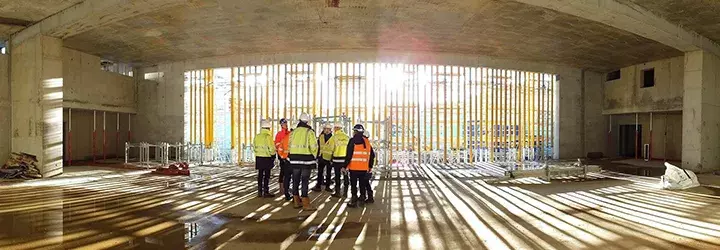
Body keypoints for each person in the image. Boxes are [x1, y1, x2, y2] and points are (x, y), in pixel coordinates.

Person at [288, 112, 318, 211]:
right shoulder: (309, 132)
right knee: (305, 181)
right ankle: (305, 203)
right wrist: (314, 156)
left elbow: (289, 145)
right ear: (307, 121)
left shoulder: (294, 132)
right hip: (306, 160)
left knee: (295, 180)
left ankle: (296, 201)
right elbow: (314, 147)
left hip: (294, 160)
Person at [345, 124, 376, 207]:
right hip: (363, 168)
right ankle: (362, 199)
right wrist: (370, 166)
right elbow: (372, 155)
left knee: (354, 185)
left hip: (353, 168)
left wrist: (345, 166)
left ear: (355, 131)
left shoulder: (352, 141)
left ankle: (354, 201)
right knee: (362, 184)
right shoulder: (367, 142)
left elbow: (349, 155)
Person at [253, 120, 277, 198]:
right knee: (266, 176)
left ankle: (259, 191)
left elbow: (254, 147)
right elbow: (272, 149)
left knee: (260, 175)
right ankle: (266, 192)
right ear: (268, 128)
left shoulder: (257, 136)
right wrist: (273, 155)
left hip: (259, 157)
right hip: (267, 158)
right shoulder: (268, 137)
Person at [328, 123, 350, 198]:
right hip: (345, 160)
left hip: (337, 160)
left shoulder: (334, 137)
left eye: (334, 128)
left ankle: (338, 192)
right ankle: (345, 193)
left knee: (337, 176)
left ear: (336, 128)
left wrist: (330, 158)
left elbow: (330, 149)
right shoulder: (347, 137)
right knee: (346, 176)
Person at [274, 118, 292, 201]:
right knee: (283, 171)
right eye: (284, 123)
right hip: (282, 156)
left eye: (286, 123)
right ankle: (282, 188)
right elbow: (277, 145)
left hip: (288, 156)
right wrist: (281, 155)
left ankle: (285, 188)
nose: (285, 124)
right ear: (281, 125)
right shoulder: (279, 134)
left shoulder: (289, 133)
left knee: (287, 173)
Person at [313, 123, 334, 192]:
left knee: (328, 173)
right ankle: (318, 186)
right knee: (320, 172)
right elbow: (317, 146)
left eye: (328, 129)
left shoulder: (333, 138)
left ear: (331, 130)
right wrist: (316, 156)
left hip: (329, 158)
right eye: (325, 129)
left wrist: (332, 158)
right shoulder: (321, 137)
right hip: (321, 157)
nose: (327, 130)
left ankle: (327, 187)